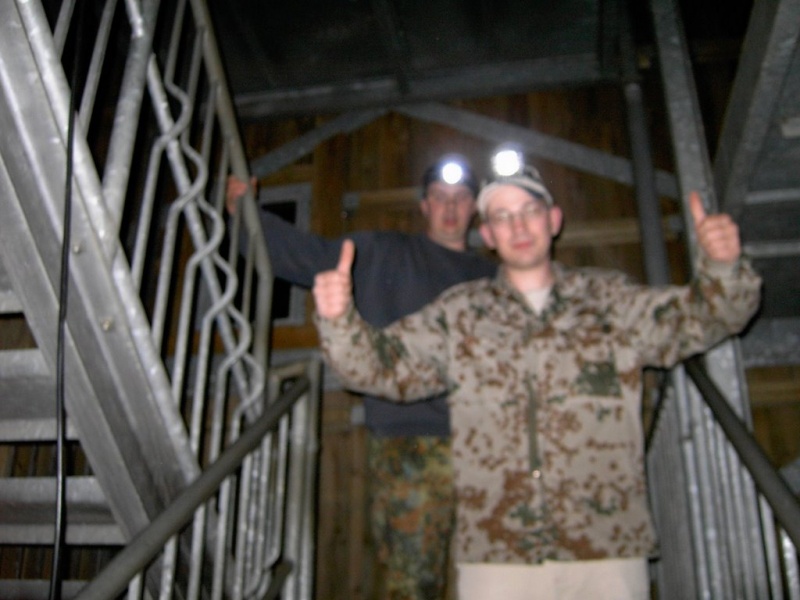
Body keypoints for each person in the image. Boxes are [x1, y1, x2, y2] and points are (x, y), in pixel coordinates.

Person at [311, 148, 762, 600]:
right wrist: (338, 320)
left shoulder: (609, 300)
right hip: (499, 557)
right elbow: (379, 368)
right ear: (488, 234)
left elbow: (708, 317)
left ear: (554, 220)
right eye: (502, 217)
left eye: (530, 211)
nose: (519, 227)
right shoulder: (460, 314)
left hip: (607, 549)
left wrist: (723, 266)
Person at [227, 155, 497, 599]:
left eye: (461, 197)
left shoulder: (493, 278)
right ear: (424, 206)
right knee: (411, 586)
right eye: (439, 197)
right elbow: (300, 255)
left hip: (492, 446)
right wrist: (245, 216)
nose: (450, 207)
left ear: (474, 209)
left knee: (501, 581)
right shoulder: (383, 252)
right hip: (409, 447)